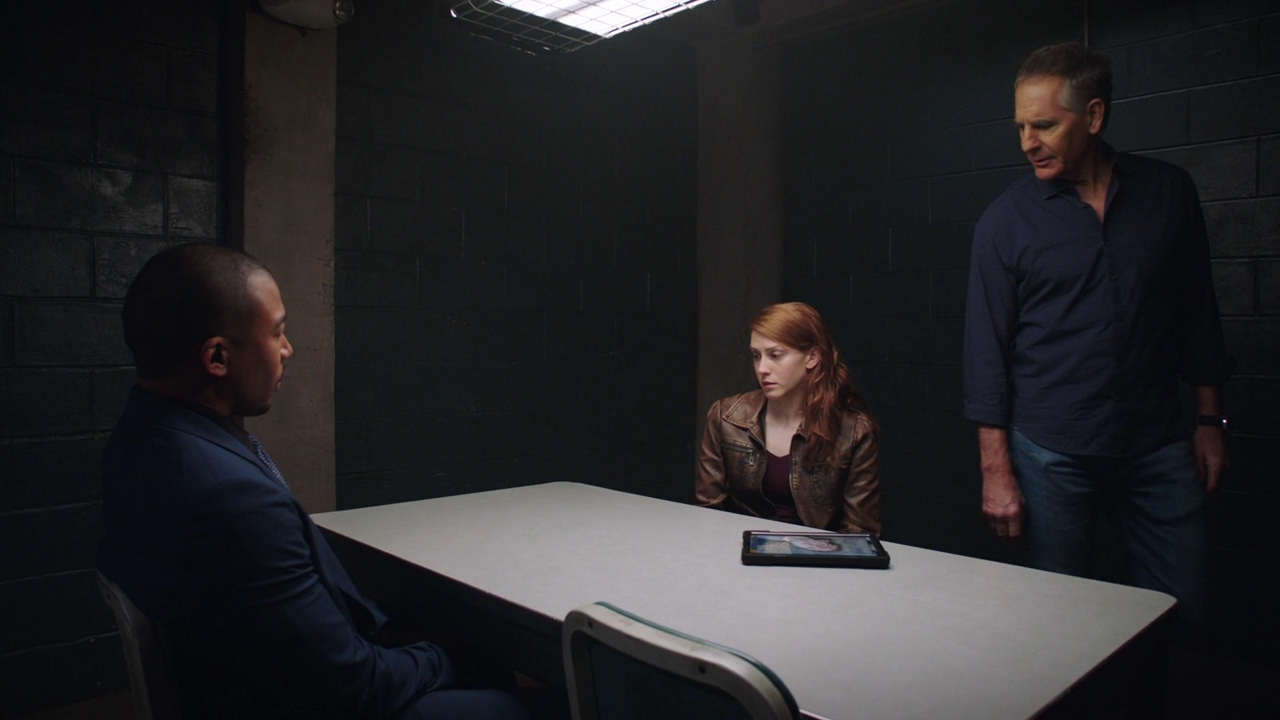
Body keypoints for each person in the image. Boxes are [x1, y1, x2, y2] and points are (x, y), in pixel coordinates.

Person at [97, 243, 557, 719]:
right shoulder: (232, 499)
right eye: (277, 332)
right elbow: (356, 688)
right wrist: (449, 657)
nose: (287, 350)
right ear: (217, 358)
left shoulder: (142, 437)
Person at [963, 43, 1229, 625]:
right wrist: (996, 470)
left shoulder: (1169, 193)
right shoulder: (1004, 222)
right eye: (1021, 127)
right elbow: (986, 354)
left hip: (1158, 442)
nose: (1027, 142)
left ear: (1094, 115)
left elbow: (1197, 312)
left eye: (1044, 125)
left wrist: (1211, 421)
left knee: (1180, 610)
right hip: (1051, 451)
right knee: (1060, 620)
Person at [696, 302, 881, 535]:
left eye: (775, 355)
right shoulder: (726, 417)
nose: (762, 368)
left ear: (812, 357)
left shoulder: (854, 430)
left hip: (819, 553)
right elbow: (709, 512)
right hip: (740, 548)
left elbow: (860, 533)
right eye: (756, 356)